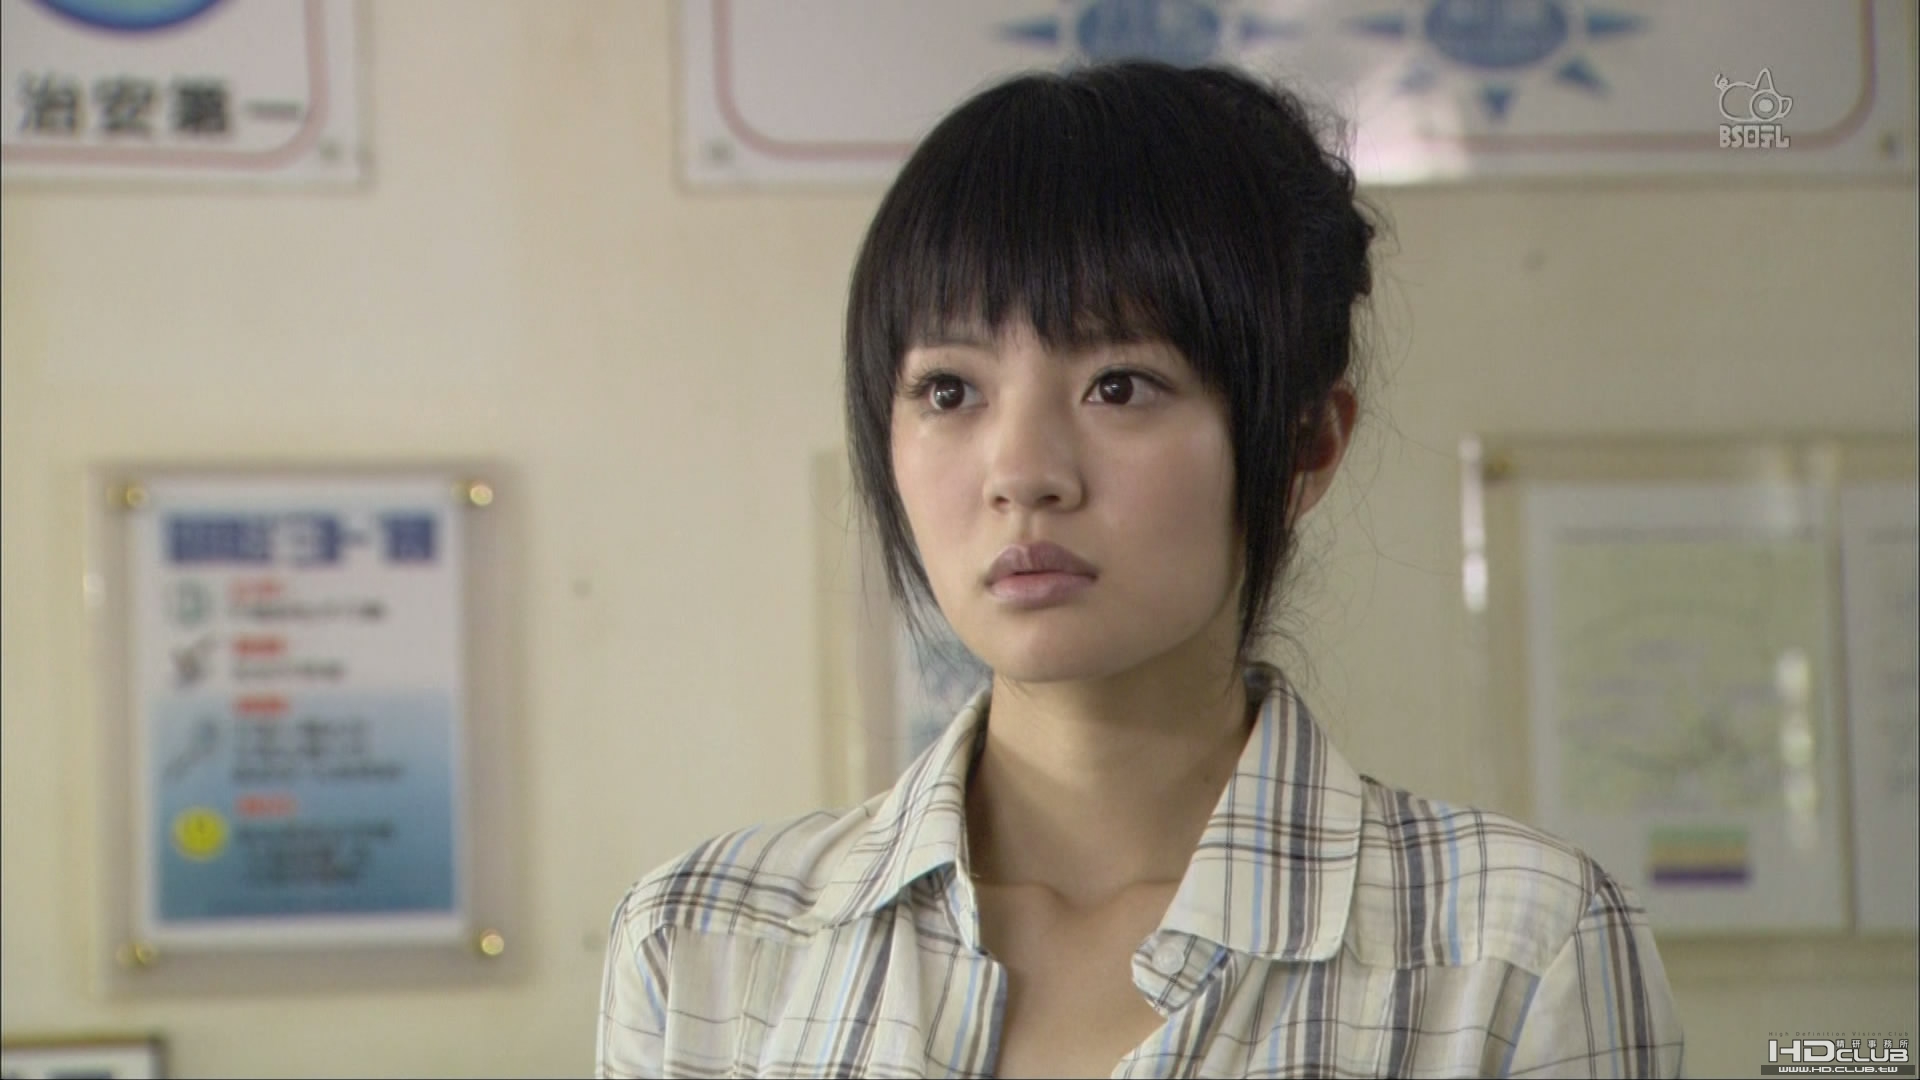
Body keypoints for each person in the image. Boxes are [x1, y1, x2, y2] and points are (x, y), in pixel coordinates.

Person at [598, 59, 1684, 1079]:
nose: (1023, 473)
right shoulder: (702, 946)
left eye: (1119, 385)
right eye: (949, 391)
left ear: (1304, 445)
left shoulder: (1517, 949)